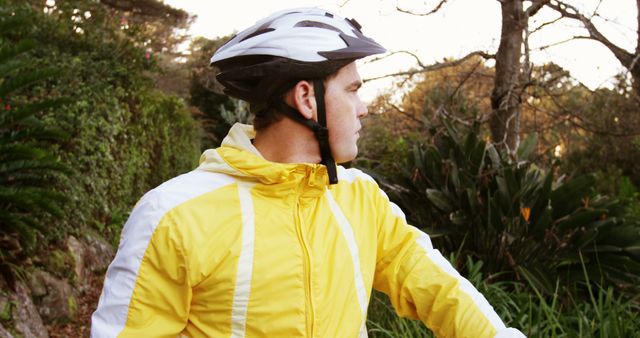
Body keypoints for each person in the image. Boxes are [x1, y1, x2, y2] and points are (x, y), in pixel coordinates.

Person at [91, 7, 526, 338]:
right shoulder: (175, 215)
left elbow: (437, 287)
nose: (364, 107)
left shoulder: (361, 198)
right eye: (353, 89)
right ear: (306, 98)